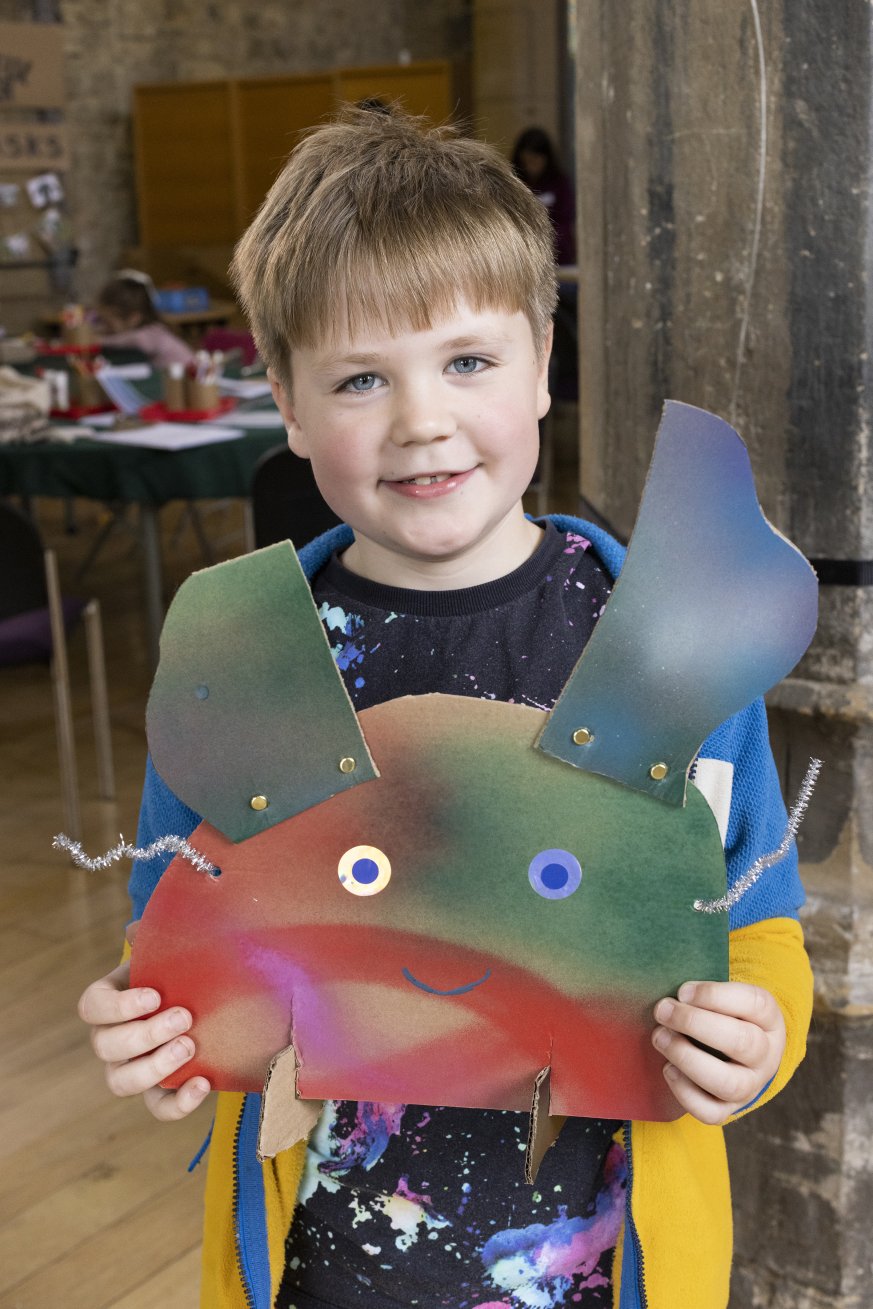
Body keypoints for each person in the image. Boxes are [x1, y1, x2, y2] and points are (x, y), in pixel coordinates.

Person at [78, 107, 813, 1309]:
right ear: (290, 402)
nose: (422, 420)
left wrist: (759, 1035)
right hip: (324, 1272)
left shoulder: (664, 638)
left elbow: (762, 922)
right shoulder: (248, 651)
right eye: (362, 377)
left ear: (540, 359)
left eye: (467, 361)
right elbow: (173, 927)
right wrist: (151, 1032)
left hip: (600, 1267)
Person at [94, 269, 195, 369]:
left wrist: (98, 340)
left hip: (190, 378)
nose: (106, 327)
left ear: (134, 318)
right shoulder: (148, 327)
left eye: (108, 323)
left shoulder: (151, 333)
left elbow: (133, 340)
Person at [511, 126, 576, 266]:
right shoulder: (514, 184)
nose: (531, 166)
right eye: (527, 161)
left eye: (535, 161)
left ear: (546, 159)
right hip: (524, 258)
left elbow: (566, 220)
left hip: (558, 257)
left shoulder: (560, 183)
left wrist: (543, 239)